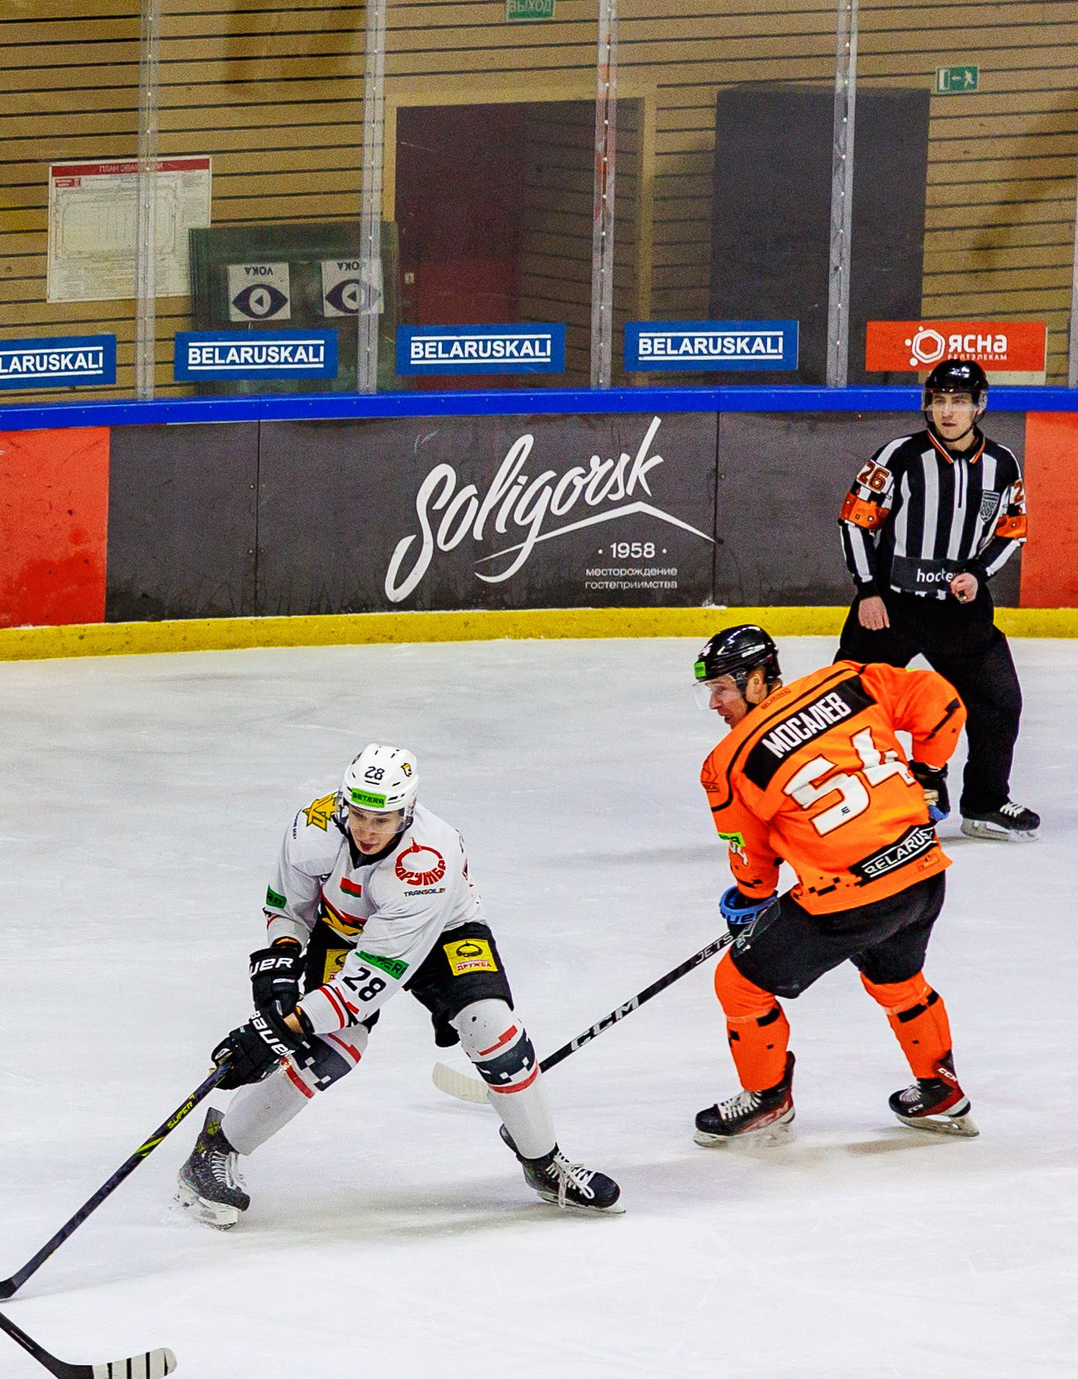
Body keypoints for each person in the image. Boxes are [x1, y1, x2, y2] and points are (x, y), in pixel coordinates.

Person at [177, 745, 621, 1224]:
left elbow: (374, 976)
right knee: (328, 1049)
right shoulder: (312, 827)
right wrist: (280, 963)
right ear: (344, 804)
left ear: (407, 814)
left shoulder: (429, 861)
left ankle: (542, 1159)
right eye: (360, 815)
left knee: (493, 1030)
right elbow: (289, 908)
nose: (368, 831)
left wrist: (284, 1027)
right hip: (344, 927)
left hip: (440, 932)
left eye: (383, 820)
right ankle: (214, 1151)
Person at [691, 623, 976, 1145]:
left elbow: (752, 855)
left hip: (849, 899)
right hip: (922, 875)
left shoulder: (729, 761)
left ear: (758, 681)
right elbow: (942, 701)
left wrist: (750, 901)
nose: (715, 703)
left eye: (722, 689)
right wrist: (929, 770)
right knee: (896, 981)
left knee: (739, 984)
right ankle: (940, 1089)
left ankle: (767, 1098)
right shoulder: (848, 681)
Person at [834, 357, 1036, 841]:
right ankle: (849, 802)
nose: (948, 411)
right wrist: (867, 590)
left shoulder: (1002, 463)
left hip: (960, 612)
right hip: (891, 609)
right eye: (940, 400)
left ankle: (985, 804)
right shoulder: (898, 456)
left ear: (978, 406)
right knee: (845, 703)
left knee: (999, 702)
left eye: (959, 401)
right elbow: (856, 520)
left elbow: (1012, 529)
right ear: (928, 404)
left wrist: (978, 574)